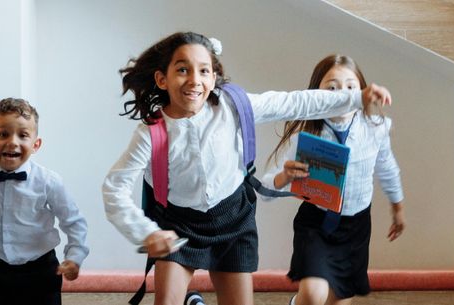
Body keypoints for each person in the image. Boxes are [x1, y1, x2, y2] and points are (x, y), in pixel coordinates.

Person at [102, 32, 392, 305]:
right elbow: (114, 188)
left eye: (204, 71)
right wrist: (145, 233)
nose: (194, 80)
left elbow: (294, 102)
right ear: (161, 79)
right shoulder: (151, 133)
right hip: (179, 225)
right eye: (182, 69)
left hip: (232, 220)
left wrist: (356, 98)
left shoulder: (233, 106)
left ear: (214, 78)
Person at [262, 54, 406, 305]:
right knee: (313, 295)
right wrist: (284, 176)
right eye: (332, 88)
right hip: (316, 223)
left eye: (350, 87)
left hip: (355, 226)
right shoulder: (306, 133)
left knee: (338, 300)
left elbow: (387, 168)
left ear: (361, 91)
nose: (342, 95)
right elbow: (265, 190)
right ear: (316, 93)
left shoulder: (375, 128)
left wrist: (398, 209)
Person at [0, 98, 89, 305]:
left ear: (36, 145)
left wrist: (75, 256)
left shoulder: (49, 181)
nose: (13, 142)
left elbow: (73, 221)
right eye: (3, 134)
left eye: (23, 135)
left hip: (41, 270)